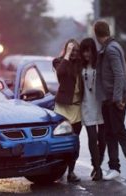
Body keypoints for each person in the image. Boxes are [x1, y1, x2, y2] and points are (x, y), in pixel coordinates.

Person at [94, 20, 126, 180]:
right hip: (108, 98)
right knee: (110, 133)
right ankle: (114, 167)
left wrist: (117, 98)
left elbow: (120, 75)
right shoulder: (109, 47)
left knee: (119, 131)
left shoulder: (111, 49)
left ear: (96, 34)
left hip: (116, 98)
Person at [53, 39, 83, 182]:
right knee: (60, 142)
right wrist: (67, 54)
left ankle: (71, 172)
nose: (74, 53)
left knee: (74, 142)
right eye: (72, 50)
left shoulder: (80, 64)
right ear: (66, 50)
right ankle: (57, 171)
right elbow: (61, 73)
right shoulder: (59, 62)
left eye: (76, 51)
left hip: (77, 109)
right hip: (63, 108)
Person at [79, 38, 106, 181]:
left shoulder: (100, 64)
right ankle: (98, 168)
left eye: (88, 50)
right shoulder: (80, 67)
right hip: (87, 105)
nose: (86, 54)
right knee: (92, 138)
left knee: (102, 139)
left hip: (101, 105)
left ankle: (97, 163)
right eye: (83, 51)